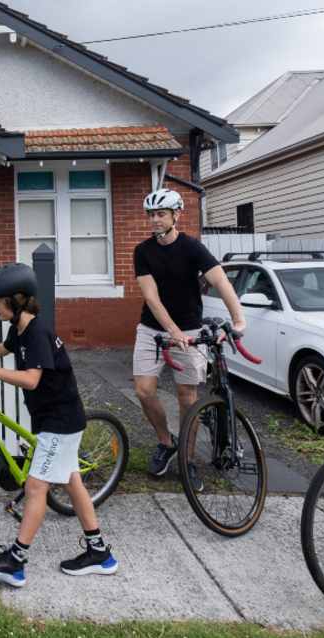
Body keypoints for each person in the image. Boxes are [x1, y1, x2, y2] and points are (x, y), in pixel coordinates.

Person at [0, 263, 116, 588]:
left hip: (59, 421)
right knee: (73, 482)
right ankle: (99, 552)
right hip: (55, 418)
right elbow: (7, 348)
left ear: (15, 302)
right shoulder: (21, 329)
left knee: (35, 488)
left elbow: (31, 380)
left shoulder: (38, 332)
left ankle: (15, 561)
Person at [132, 189, 246, 477]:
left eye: (160, 214)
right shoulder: (143, 251)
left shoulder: (192, 248)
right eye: (151, 215)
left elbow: (220, 281)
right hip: (152, 331)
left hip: (191, 329)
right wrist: (171, 330)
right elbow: (151, 297)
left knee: (187, 396)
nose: (154, 220)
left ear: (175, 215)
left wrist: (239, 320)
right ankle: (166, 441)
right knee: (144, 391)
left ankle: (188, 458)